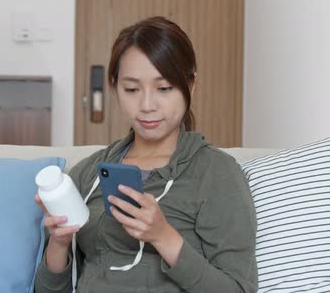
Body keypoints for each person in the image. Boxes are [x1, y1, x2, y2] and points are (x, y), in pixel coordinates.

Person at [34, 16, 257, 293]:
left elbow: (238, 289)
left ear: (191, 85)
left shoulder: (217, 172)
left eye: (164, 88)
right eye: (132, 89)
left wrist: (163, 237)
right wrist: (59, 242)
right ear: (114, 87)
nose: (147, 105)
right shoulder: (88, 174)